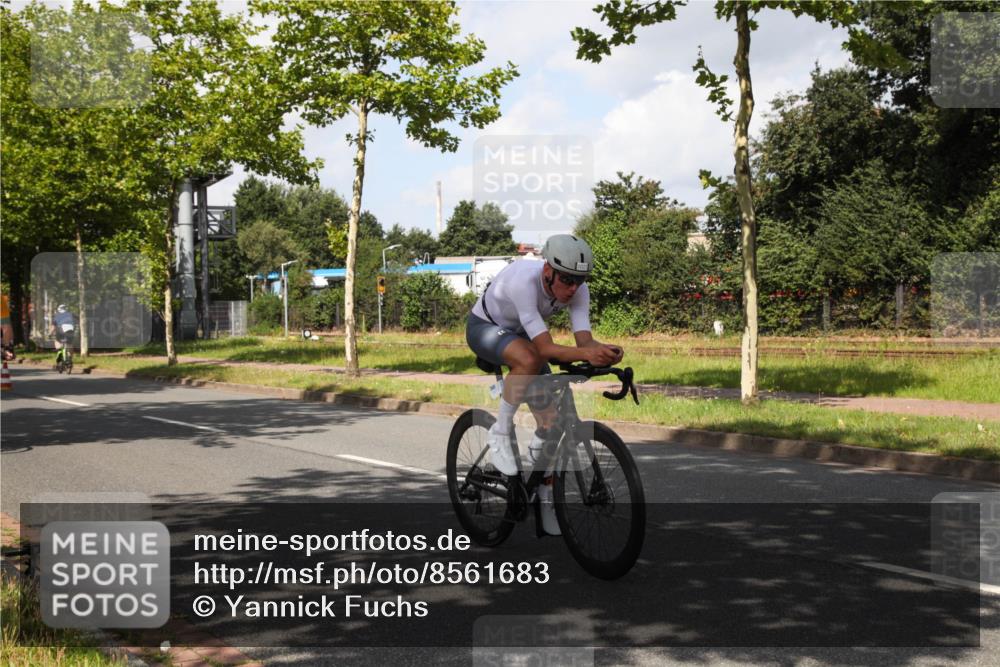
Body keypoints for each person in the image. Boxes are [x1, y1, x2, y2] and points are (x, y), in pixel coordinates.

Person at [465, 234, 623, 535]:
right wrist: (586, 353)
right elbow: (545, 348)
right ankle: (499, 433)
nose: (573, 288)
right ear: (547, 271)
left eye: (580, 280)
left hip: (523, 336)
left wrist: (604, 353)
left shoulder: (578, 290)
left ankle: (544, 497)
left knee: (550, 422)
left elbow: (584, 341)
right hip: (485, 327)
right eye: (566, 280)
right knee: (528, 358)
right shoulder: (524, 282)